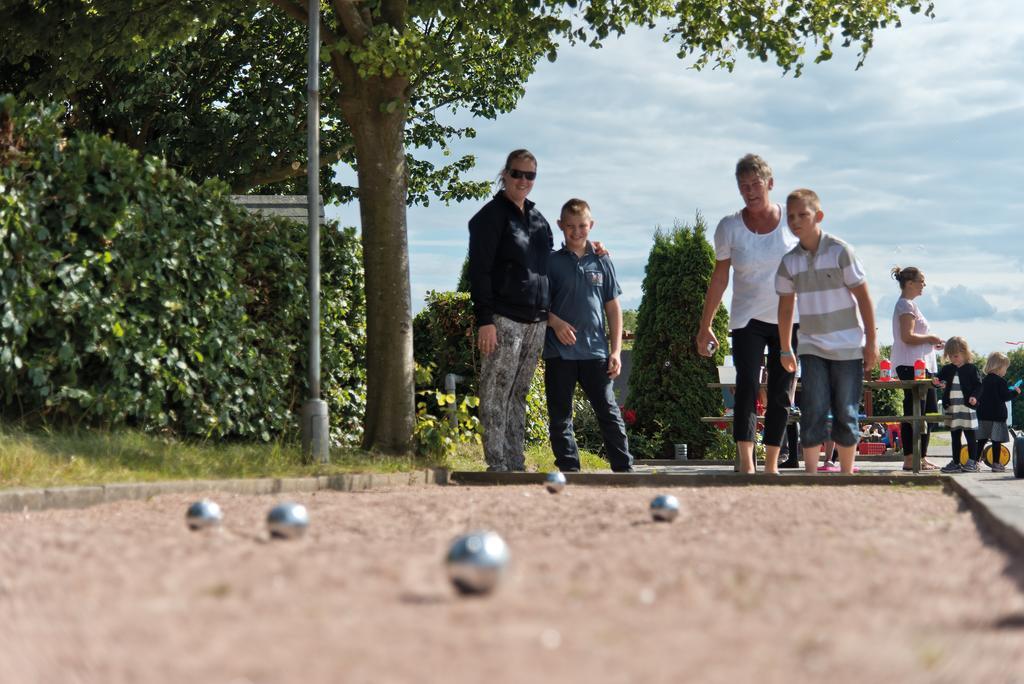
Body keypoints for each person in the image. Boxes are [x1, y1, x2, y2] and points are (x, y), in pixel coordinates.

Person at [696, 154, 799, 474]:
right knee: (747, 386)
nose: (750, 191)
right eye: (743, 186)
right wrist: (706, 325)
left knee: (781, 392)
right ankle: (746, 462)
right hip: (746, 319)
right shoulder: (729, 227)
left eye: (756, 184)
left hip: (787, 318)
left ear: (770, 184)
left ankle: (771, 464)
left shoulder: (790, 223)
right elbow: (719, 277)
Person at [776, 189, 878, 475]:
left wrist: (871, 341)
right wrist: (786, 347)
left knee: (845, 411)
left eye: (803, 215)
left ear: (818, 216)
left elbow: (864, 298)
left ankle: (846, 474)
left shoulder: (840, 251)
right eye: (791, 216)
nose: (796, 221)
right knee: (813, 409)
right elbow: (785, 309)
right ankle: (810, 475)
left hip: (847, 344)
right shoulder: (789, 262)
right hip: (811, 345)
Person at [467, 149, 552, 472]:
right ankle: (497, 462)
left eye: (530, 175)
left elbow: (549, 264)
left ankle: (516, 460)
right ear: (505, 174)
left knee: (519, 392)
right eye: (517, 173)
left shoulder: (538, 219)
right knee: (496, 390)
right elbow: (480, 272)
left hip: (537, 320)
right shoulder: (489, 217)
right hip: (503, 318)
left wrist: (590, 252)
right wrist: (485, 320)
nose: (523, 181)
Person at [543, 198, 633, 473]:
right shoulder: (550, 262)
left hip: (595, 352)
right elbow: (536, 305)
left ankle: (624, 469)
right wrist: (555, 322)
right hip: (560, 353)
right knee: (560, 417)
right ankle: (570, 471)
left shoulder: (602, 261)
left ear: (590, 225)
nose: (576, 231)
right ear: (560, 226)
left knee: (608, 412)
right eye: (570, 226)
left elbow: (613, 308)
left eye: (582, 225)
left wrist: (615, 351)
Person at [889, 266, 944, 470]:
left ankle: (921, 456)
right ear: (909, 283)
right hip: (911, 365)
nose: (924, 284)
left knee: (926, 412)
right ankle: (910, 457)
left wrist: (932, 343)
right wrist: (930, 338)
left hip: (921, 365)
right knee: (913, 410)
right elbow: (907, 336)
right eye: (921, 280)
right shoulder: (905, 305)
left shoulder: (911, 305)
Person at [934, 336, 982, 474]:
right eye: (950, 356)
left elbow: (979, 386)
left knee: (970, 435)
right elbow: (938, 380)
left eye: (955, 356)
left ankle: (973, 461)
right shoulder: (947, 369)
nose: (953, 359)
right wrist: (936, 382)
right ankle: (955, 462)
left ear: (965, 352)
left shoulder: (971, 369)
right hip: (952, 408)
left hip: (967, 407)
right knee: (955, 436)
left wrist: (974, 397)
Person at [973, 351, 1021, 473]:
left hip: (983, 415)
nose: (1005, 371)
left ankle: (974, 462)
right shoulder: (1001, 381)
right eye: (1005, 368)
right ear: (999, 367)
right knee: (996, 441)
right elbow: (1005, 396)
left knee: (982, 439)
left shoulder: (983, 380)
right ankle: (995, 463)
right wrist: (1015, 392)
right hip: (997, 417)